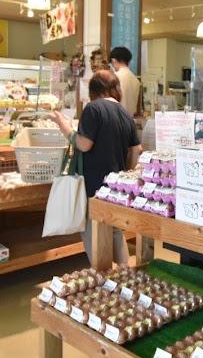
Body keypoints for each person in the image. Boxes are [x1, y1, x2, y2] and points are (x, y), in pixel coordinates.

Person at [51, 70, 142, 264]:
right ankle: (126, 275)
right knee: (115, 230)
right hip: (116, 187)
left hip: (93, 185)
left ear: (93, 90)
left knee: (94, 232)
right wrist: (126, 175)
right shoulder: (125, 113)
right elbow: (136, 149)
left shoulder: (93, 109)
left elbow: (84, 144)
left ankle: (105, 280)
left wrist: (63, 126)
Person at [109, 46, 140, 117]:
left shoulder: (114, 77)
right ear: (128, 61)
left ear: (114, 60)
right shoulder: (136, 80)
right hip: (130, 120)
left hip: (116, 118)